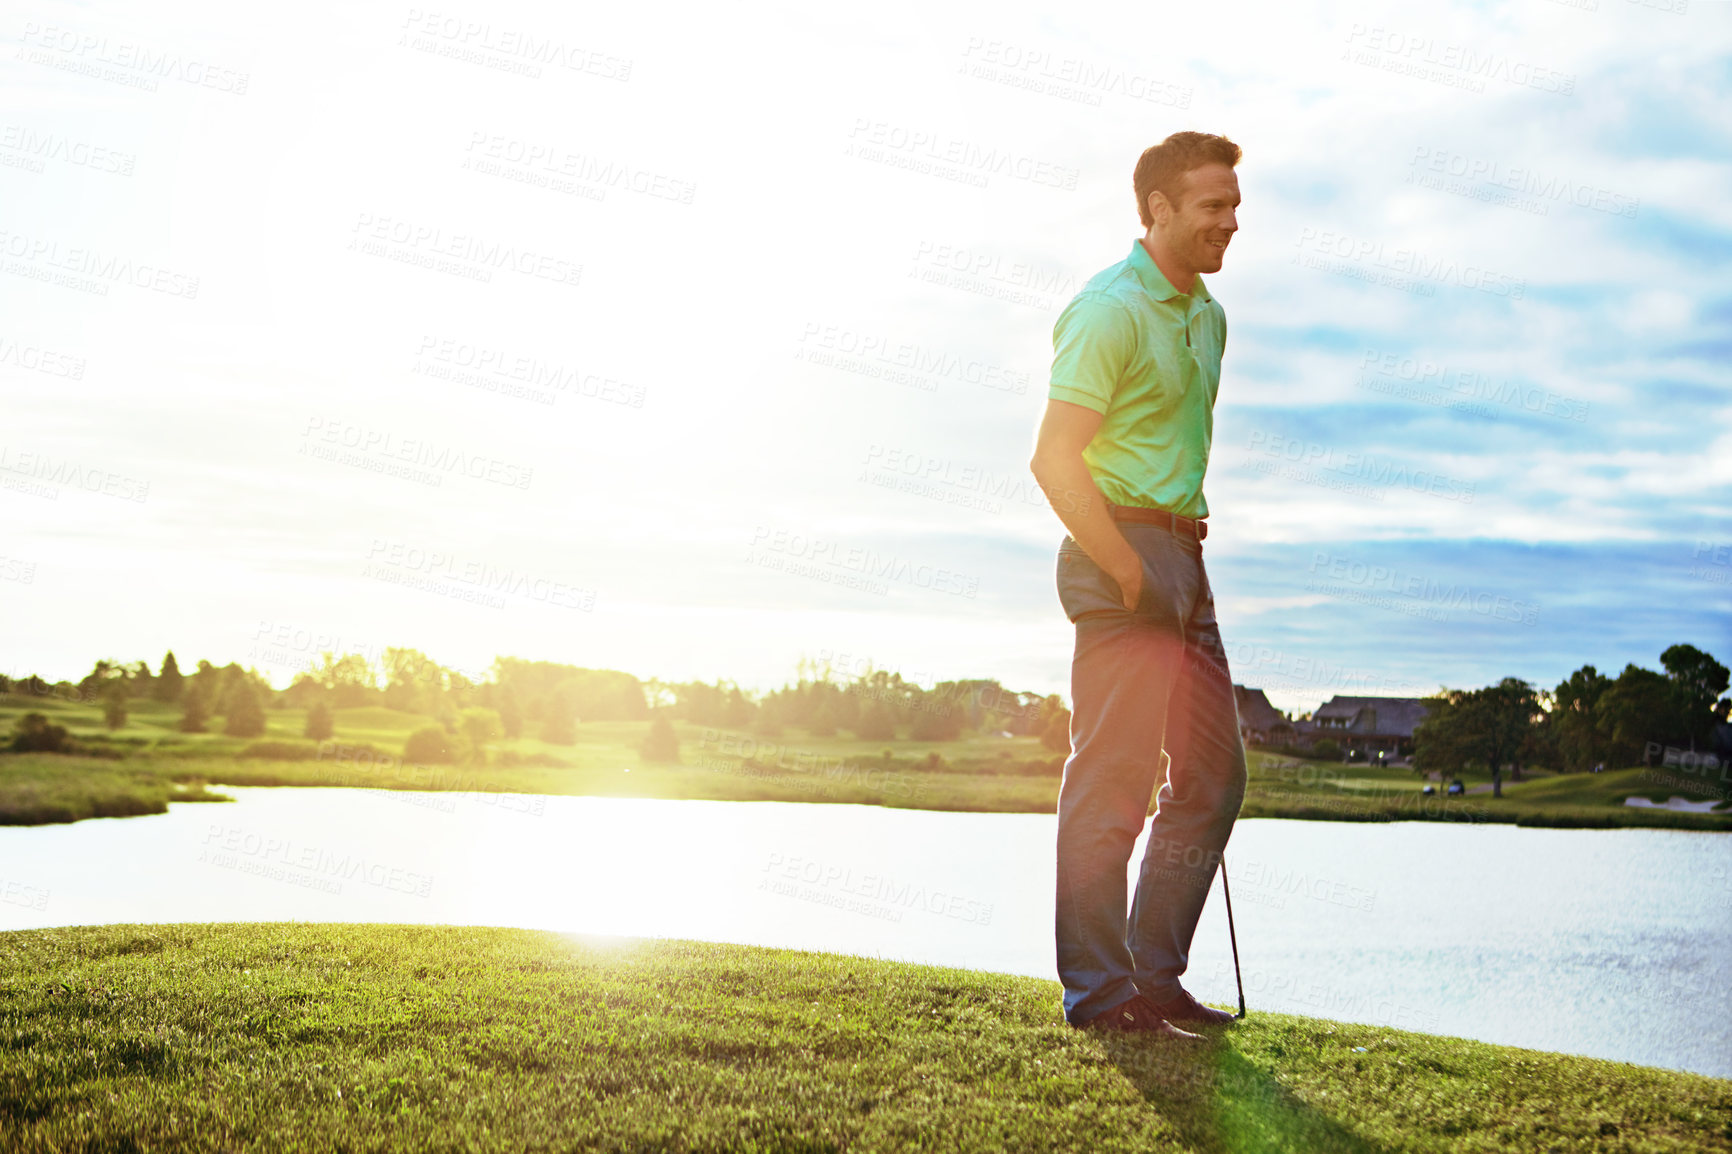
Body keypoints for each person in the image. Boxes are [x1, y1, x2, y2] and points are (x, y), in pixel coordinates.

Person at [1029, 131, 1247, 1040]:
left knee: (1214, 777)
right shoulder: (1110, 309)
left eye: (1235, 208)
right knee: (1112, 781)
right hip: (1118, 557)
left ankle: (1152, 979)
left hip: (1184, 557)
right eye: (1212, 207)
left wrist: (1175, 569)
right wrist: (1126, 570)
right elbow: (1053, 459)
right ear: (1156, 208)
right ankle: (1098, 994)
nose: (1230, 225)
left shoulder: (1209, 316)